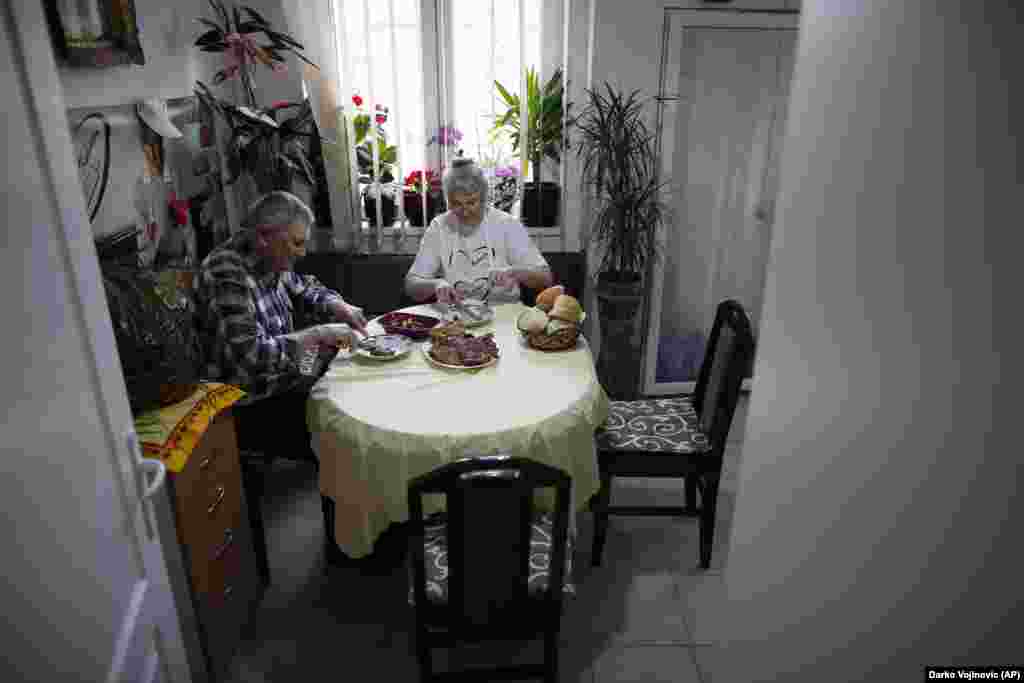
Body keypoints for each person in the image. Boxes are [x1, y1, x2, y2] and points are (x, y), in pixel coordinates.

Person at [196, 191, 368, 465]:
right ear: (264, 237)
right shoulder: (225, 273)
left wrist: (340, 307)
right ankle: (339, 480)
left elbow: (306, 287)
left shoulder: (268, 256)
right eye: (297, 244)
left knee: (353, 371)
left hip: (287, 375)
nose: (303, 252)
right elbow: (250, 355)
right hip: (254, 401)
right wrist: (319, 335)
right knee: (346, 424)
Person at [404, 158, 553, 305]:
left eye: (471, 202)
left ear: (484, 197)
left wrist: (516, 272)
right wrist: (436, 285)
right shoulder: (439, 227)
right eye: (455, 203)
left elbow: (546, 278)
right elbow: (411, 285)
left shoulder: (506, 224)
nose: (465, 211)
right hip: (456, 319)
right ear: (446, 199)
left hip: (504, 317)